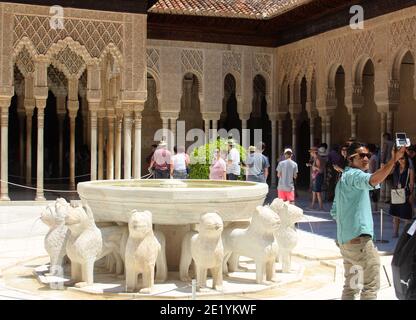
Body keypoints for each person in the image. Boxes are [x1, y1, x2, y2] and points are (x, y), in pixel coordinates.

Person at [330, 141, 407, 300]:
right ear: (351, 159)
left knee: (351, 287)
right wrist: (393, 160)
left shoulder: (343, 179)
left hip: (347, 244)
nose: (366, 158)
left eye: (368, 155)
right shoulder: (355, 175)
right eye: (361, 155)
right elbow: (373, 180)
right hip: (360, 243)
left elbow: (334, 212)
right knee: (370, 287)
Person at [390, 153, 414, 238]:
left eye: (402, 158)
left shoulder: (409, 170)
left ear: (406, 159)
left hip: (405, 193)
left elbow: (411, 183)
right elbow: (388, 172)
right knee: (395, 214)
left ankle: (405, 234)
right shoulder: (395, 168)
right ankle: (395, 232)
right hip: (396, 192)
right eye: (399, 158)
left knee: (406, 215)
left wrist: (411, 195)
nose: (400, 160)